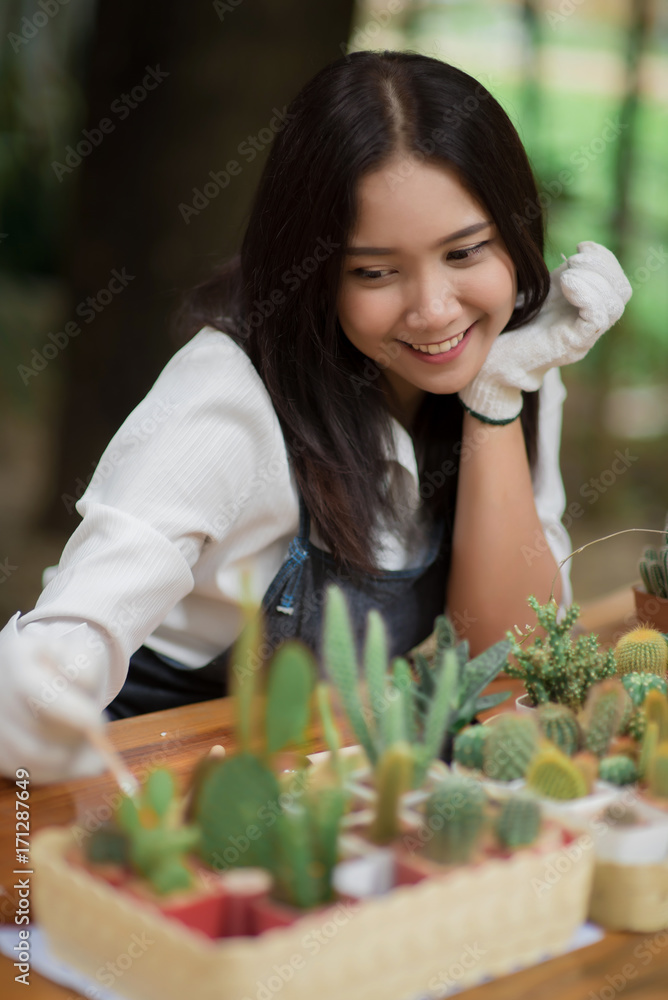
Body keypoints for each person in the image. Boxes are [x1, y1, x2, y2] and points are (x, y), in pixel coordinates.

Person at [0, 50, 631, 783]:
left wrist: (495, 399)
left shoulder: (508, 354)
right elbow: (39, 674)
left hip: (314, 789)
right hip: (151, 784)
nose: (434, 309)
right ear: (311, 268)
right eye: (374, 271)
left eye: (464, 252)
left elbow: (505, 658)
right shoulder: (228, 402)